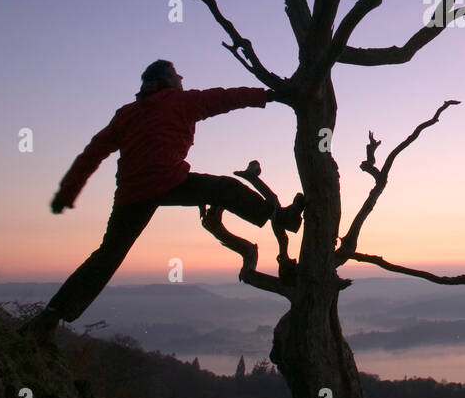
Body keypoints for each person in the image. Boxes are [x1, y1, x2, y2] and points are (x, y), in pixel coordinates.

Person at [20, 59, 302, 341]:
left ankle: (51, 316)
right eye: (178, 75)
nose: (182, 78)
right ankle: (282, 217)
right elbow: (226, 97)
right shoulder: (181, 101)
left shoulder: (127, 114)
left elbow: (93, 152)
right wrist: (271, 95)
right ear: (167, 78)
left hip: (132, 193)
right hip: (169, 182)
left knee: (107, 256)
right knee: (225, 188)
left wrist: (68, 191)